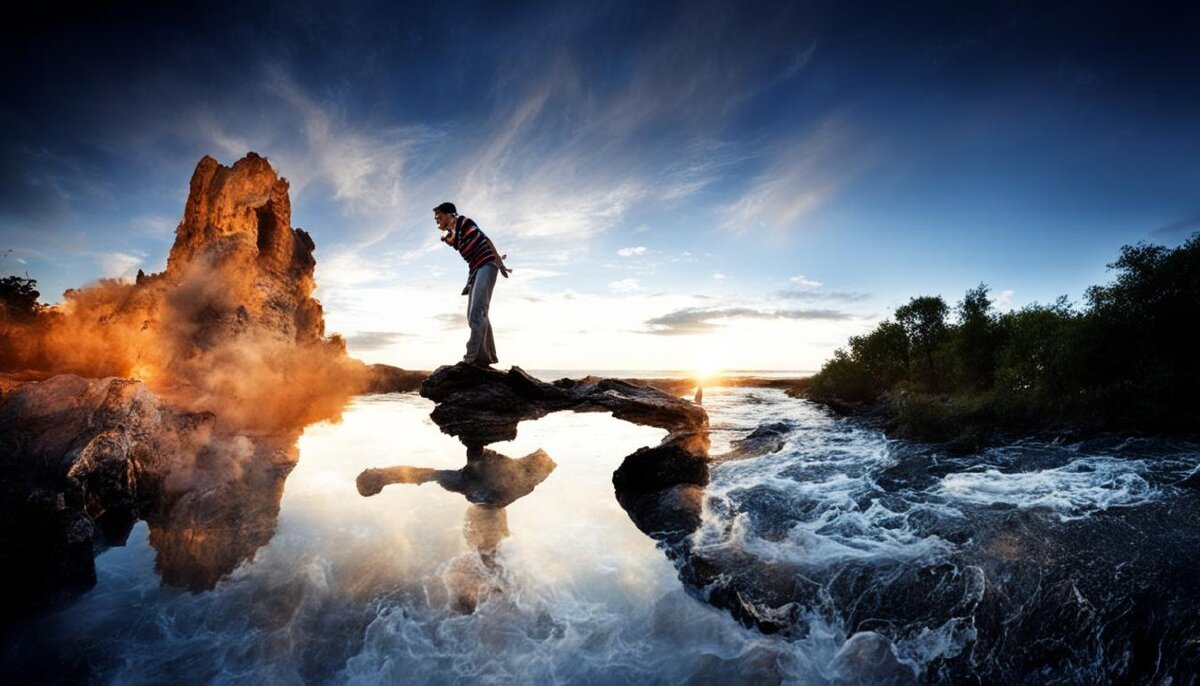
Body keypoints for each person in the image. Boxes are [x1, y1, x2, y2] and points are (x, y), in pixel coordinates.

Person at [434, 202, 510, 368]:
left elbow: (485, 239)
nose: (436, 219)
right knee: (474, 314)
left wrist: (499, 261)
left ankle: (470, 359)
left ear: (450, 215)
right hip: (475, 270)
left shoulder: (464, 222)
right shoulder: (451, 236)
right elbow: (451, 238)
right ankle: (486, 356)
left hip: (488, 264)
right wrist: (444, 237)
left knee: (478, 311)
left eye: (438, 215)